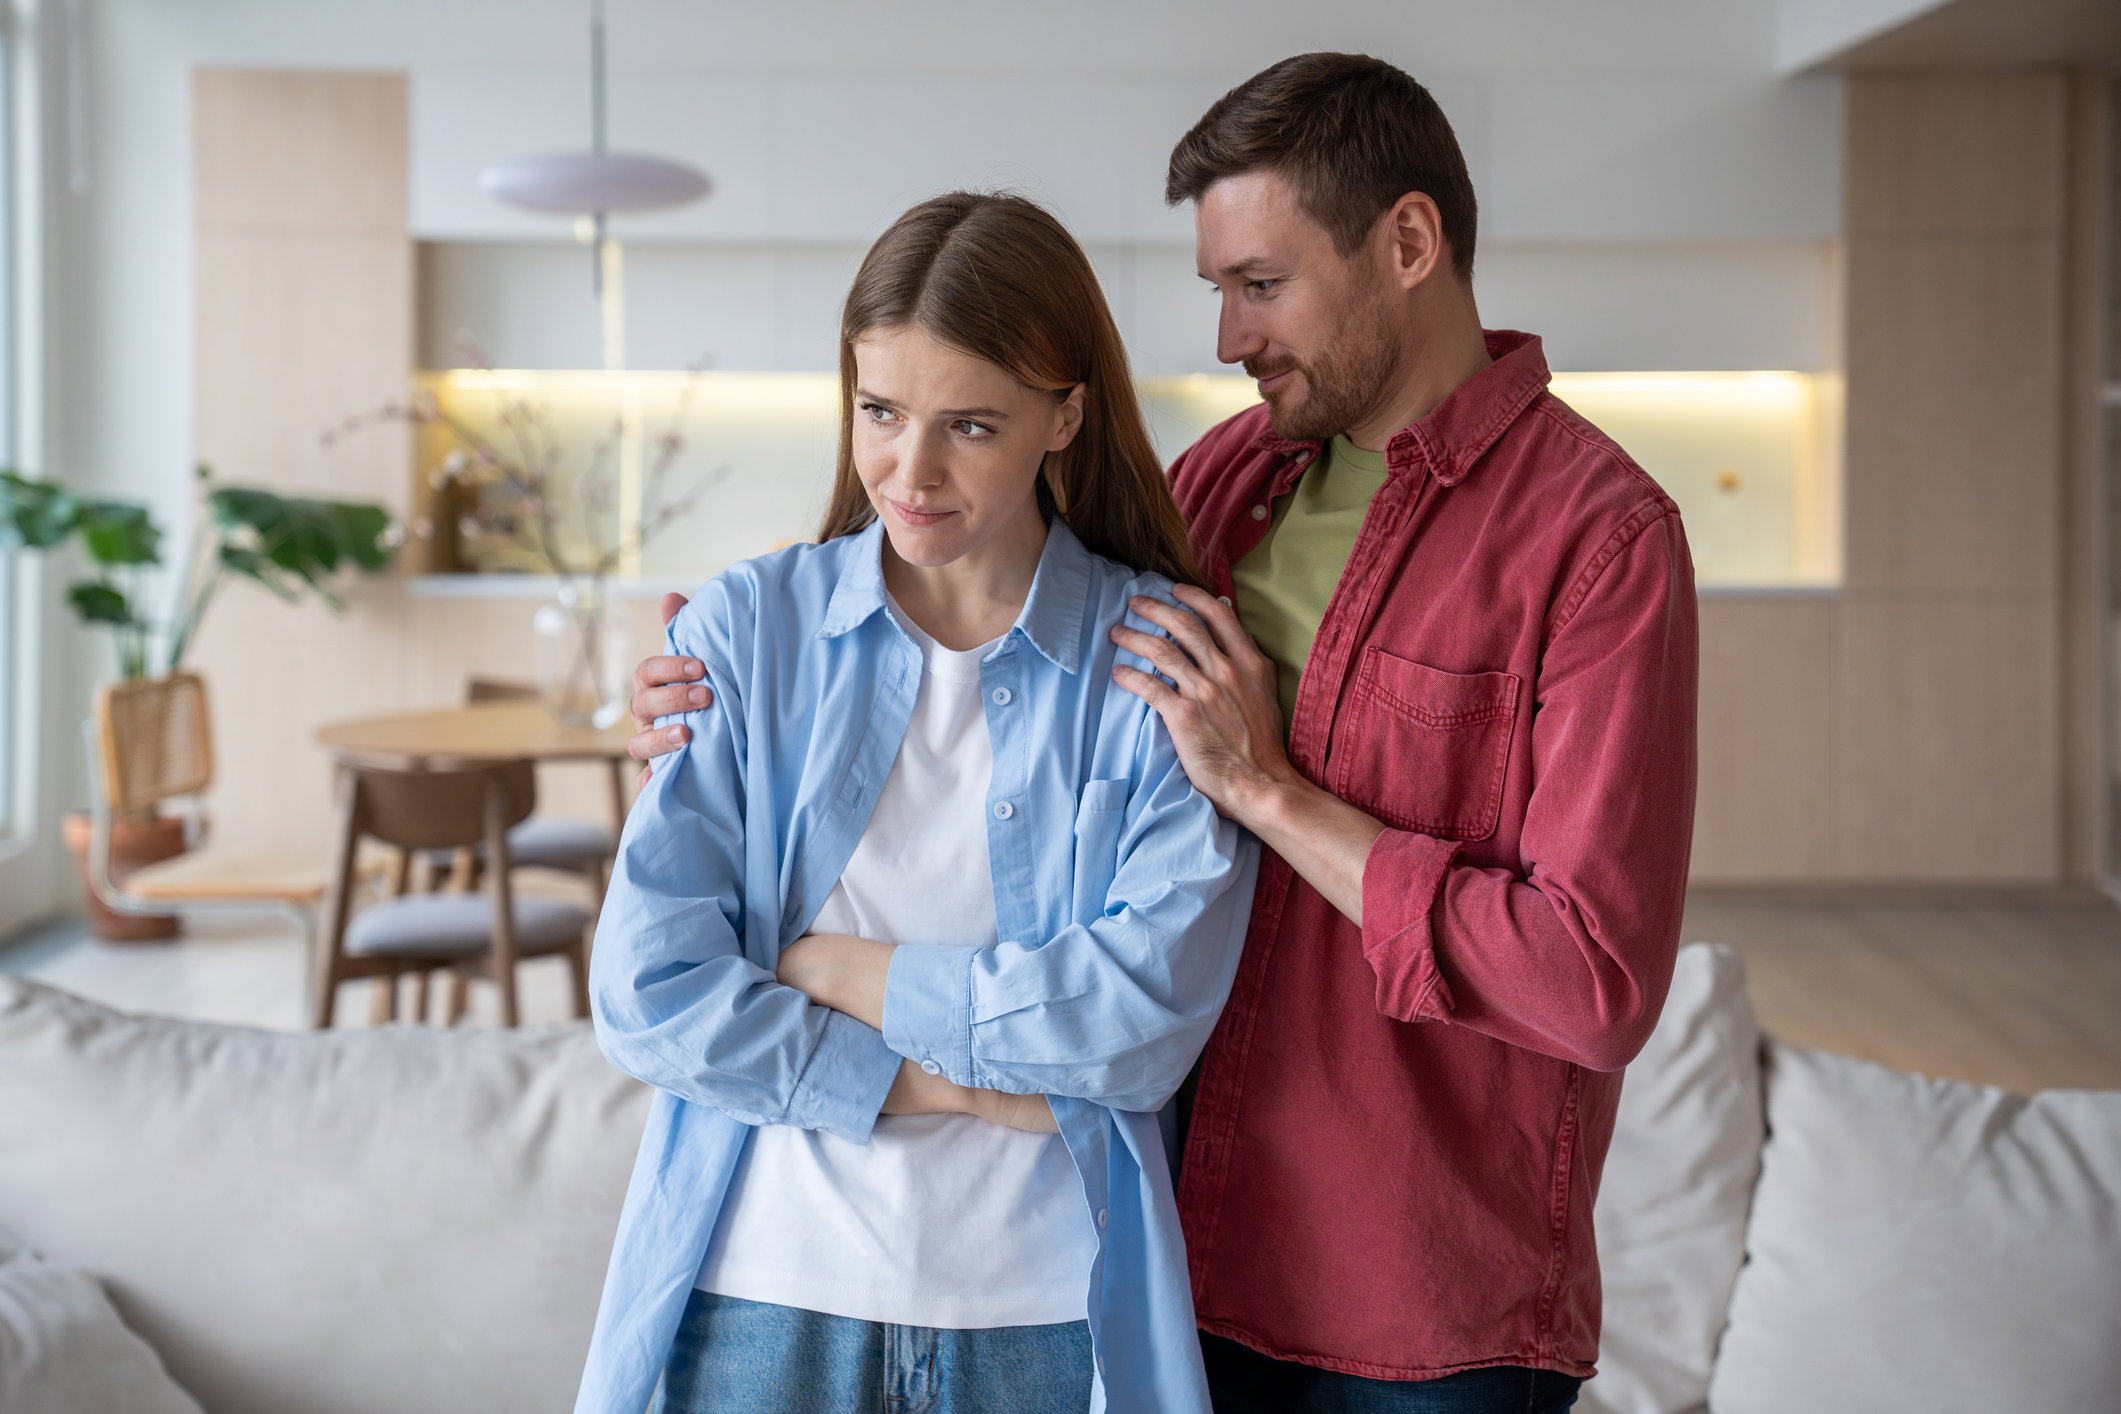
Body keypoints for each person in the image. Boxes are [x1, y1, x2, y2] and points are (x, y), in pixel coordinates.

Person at [627, 53, 1699, 1414]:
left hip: (1421, 1305)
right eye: (1217, 291)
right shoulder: (1221, 491)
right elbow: (948, 614)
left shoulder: (1596, 539)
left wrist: (1269, 791)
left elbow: (1592, 984)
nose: (1227, 336)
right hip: (1170, 1256)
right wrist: (701, 698)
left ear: (1409, 242)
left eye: (1260, 285)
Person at [576, 191, 1259, 1414]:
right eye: (879, 412)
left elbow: (1143, 1020)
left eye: (971, 425)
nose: (909, 471)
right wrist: (956, 1085)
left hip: (1046, 1314)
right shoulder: (744, 631)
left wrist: (840, 970)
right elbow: (647, 989)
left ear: (1066, 415)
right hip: (765, 1294)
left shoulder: (1163, 657)